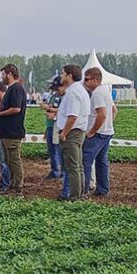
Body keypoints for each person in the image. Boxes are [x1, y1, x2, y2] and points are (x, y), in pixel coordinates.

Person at [56, 64, 91, 201]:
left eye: (63, 73)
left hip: (72, 132)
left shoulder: (73, 92)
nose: (61, 76)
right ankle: (81, 193)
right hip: (77, 131)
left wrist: (64, 132)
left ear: (70, 76)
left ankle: (75, 196)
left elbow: (72, 116)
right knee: (78, 165)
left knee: (72, 166)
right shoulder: (79, 90)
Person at [0, 64, 26, 194]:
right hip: (7, 132)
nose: (2, 77)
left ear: (10, 73)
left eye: (3, 74)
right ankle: (12, 184)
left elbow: (16, 108)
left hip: (13, 132)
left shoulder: (16, 89)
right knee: (9, 160)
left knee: (14, 160)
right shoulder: (12, 89)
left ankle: (17, 186)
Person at [83, 67, 116, 198]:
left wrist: (92, 131)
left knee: (85, 161)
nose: (85, 82)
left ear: (95, 80)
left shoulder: (97, 93)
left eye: (87, 79)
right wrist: (109, 124)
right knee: (101, 161)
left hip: (98, 134)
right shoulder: (105, 91)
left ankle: (83, 190)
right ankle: (103, 189)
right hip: (107, 132)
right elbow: (114, 110)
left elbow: (101, 114)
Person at [39, 77, 64, 179]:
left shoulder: (64, 97)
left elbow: (63, 110)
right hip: (50, 125)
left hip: (57, 125)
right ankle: (56, 170)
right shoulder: (54, 96)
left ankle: (59, 171)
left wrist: (49, 109)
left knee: (57, 149)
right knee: (52, 149)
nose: (55, 90)